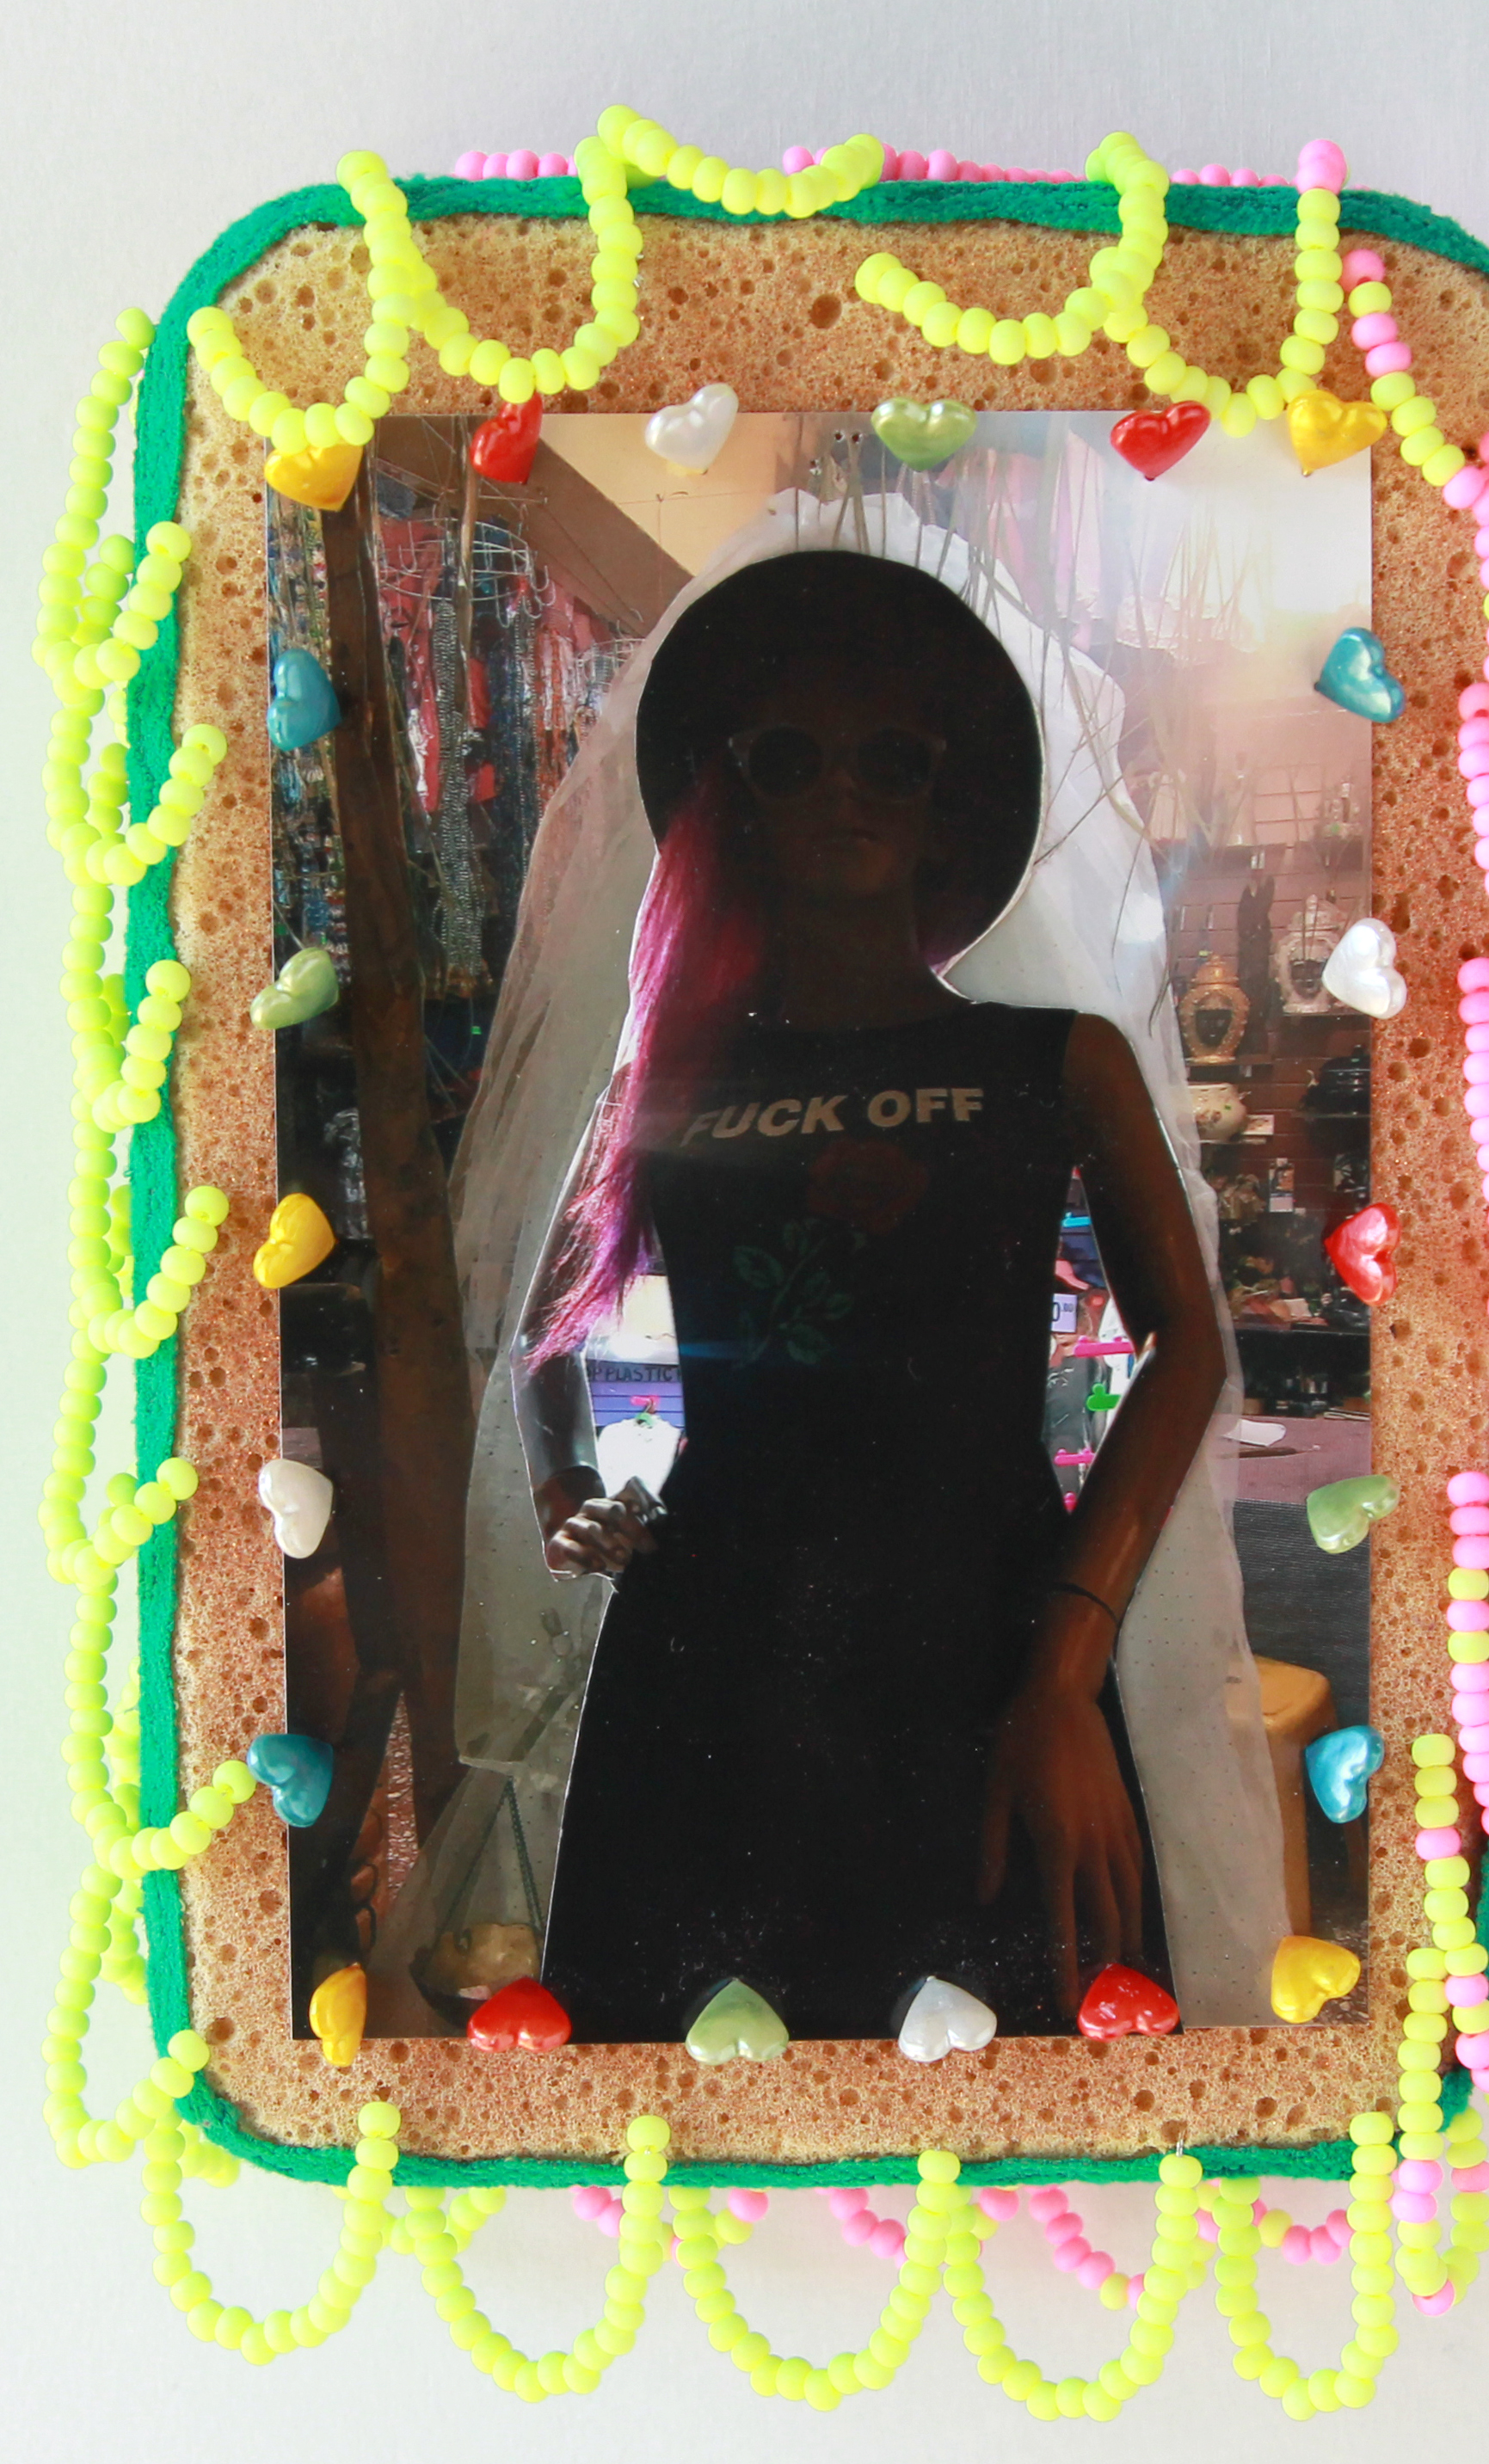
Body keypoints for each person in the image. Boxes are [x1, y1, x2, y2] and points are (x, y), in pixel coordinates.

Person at [510, 550, 1235, 2042]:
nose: (842, 790)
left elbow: (1187, 1348)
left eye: (888, 760)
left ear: (941, 799)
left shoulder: (1057, 1061)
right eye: (790, 758)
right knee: (673, 2080)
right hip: (712, 1642)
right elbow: (541, 1330)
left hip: (985, 1638)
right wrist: (566, 1486)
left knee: (1022, 2064)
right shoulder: (674, 1076)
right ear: (738, 801)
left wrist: (1064, 1669)